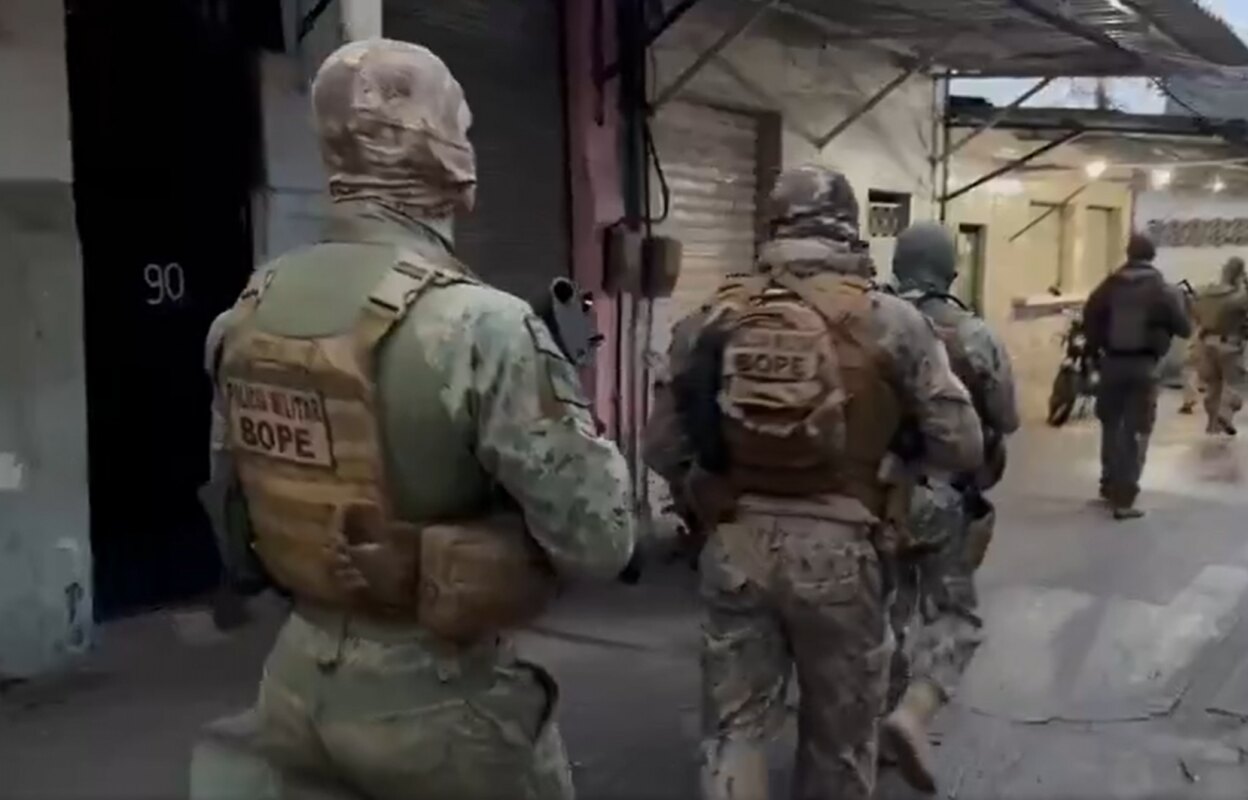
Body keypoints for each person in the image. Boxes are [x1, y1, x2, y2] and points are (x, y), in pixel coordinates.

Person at [190, 39, 635, 800]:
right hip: (442, 706)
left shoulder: (247, 313)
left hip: (295, 686)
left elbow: (236, 528)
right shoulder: (483, 325)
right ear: (432, 142)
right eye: (458, 123)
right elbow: (601, 538)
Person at [644, 165, 983, 800]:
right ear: (850, 228)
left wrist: (710, 494)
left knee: (736, 732)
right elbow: (962, 444)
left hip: (735, 545)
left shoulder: (712, 317)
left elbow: (661, 445)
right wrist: (898, 467)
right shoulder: (891, 320)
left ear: (772, 224)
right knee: (839, 746)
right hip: (845, 555)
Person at [881, 222, 1020, 793]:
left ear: (896, 266)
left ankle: (874, 727)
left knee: (884, 610)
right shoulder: (974, 334)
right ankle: (913, 713)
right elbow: (1006, 417)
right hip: (942, 496)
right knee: (954, 616)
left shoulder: (867, 320)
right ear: (951, 273)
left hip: (874, 493)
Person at [1083, 234, 1190, 520]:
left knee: (1110, 424)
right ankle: (1124, 499)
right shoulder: (1163, 290)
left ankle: (1108, 484)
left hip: (1110, 364)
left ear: (1128, 253)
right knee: (1136, 429)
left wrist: (1096, 351)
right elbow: (1184, 328)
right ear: (1152, 255)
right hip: (1144, 366)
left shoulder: (1108, 286)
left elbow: (1089, 318)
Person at [1193, 256, 1248, 435]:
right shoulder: (1237, 297)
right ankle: (1224, 416)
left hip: (1206, 343)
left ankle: (1212, 426)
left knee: (1213, 387)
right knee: (1235, 385)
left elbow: (1194, 310)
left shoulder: (1206, 293)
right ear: (1239, 274)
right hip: (1230, 346)